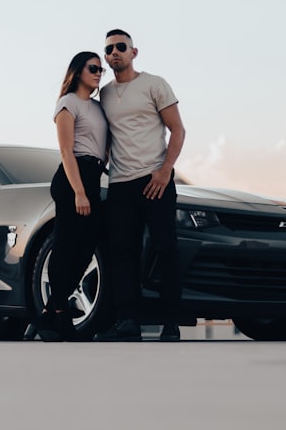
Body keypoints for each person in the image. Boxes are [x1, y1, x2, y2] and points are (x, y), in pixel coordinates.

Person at [93, 29, 186, 342]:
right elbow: (107, 138)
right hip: (120, 184)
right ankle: (127, 322)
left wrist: (164, 172)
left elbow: (178, 130)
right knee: (122, 253)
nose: (115, 52)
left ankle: (170, 323)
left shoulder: (154, 84)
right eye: (109, 49)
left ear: (134, 52)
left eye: (121, 46)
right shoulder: (104, 94)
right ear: (106, 57)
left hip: (155, 180)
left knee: (166, 249)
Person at [35, 51, 110, 342]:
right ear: (78, 71)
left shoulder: (98, 107)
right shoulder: (67, 103)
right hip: (71, 179)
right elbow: (66, 151)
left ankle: (52, 310)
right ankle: (59, 315)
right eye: (93, 68)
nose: (98, 73)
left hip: (92, 176)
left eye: (101, 70)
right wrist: (79, 191)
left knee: (87, 246)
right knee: (65, 246)